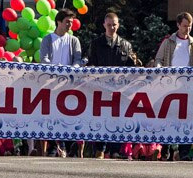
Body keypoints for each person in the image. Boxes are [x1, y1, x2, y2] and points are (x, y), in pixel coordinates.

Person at [86, 11, 137, 158]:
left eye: (114, 25)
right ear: (104, 25)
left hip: (119, 90)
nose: (112, 28)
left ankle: (115, 150)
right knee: (101, 118)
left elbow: (131, 68)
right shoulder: (96, 44)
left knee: (117, 118)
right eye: (109, 25)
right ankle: (100, 149)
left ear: (118, 25)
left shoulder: (125, 45)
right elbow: (91, 65)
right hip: (100, 89)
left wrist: (134, 62)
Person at [155, 12, 193, 162]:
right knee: (168, 117)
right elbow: (159, 58)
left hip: (188, 87)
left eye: (189, 26)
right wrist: (160, 70)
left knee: (187, 118)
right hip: (169, 85)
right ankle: (166, 149)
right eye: (184, 26)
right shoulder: (169, 42)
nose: (187, 29)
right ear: (178, 25)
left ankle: (184, 151)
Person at [42, 9, 85, 157]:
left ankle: (68, 145)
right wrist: (55, 70)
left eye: (71, 23)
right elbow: (44, 59)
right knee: (52, 115)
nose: (69, 25)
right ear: (59, 22)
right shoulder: (48, 39)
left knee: (68, 115)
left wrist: (72, 70)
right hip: (51, 84)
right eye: (67, 22)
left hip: (68, 85)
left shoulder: (74, 40)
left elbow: (78, 60)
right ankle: (53, 146)